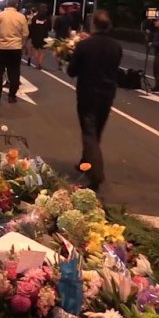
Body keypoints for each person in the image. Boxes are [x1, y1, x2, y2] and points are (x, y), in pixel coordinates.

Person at [66, 10, 122, 192]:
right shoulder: (116, 46)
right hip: (107, 93)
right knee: (97, 130)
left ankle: (96, 175)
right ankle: (86, 162)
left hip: (88, 93)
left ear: (94, 25)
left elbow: (72, 71)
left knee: (89, 132)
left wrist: (69, 57)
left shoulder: (85, 45)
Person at [0, 0, 28, 103]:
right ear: (16, 5)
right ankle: (12, 96)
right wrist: (22, 44)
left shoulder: (0, 15)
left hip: (1, 47)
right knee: (14, 72)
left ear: (6, 4)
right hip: (15, 47)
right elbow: (25, 33)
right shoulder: (21, 17)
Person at [28, 3, 51, 70]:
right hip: (44, 35)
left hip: (35, 35)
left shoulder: (35, 18)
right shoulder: (47, 18)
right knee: (42, 51)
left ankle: (37, 63)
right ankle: (40, 63)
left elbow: (31, 27)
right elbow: (49, 28)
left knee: (35, 49)